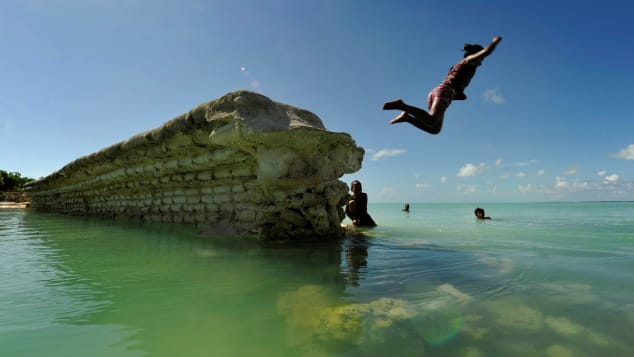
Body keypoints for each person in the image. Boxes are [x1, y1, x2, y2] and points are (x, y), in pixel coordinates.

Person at [383, 36, 502, 135]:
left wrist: (458, 94)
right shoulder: (468, 61)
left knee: (434, 129)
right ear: (475, 55)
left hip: (441, 93)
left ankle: (407, 118)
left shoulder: (463, 67)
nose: (481, 63)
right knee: (431, 119)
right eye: (481, 60)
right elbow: (486, 52)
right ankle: (401, 105)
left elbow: (456, 83)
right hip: (444, 92)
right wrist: (494, 42)